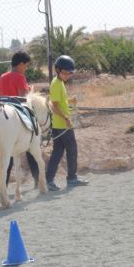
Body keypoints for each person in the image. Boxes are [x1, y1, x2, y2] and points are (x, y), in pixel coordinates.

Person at [45, 55, 89, 191]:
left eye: (70, 73)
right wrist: (66, 118)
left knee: (57, 152)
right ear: (58, 70)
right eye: (65, 72)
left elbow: (60, 102)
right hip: (63, 125)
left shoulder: (58, 82)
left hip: (59, 124)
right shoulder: (57, 84)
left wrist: (70, 101)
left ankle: (49, 180)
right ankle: (72, 178)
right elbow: (54, 105)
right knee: (72, 150)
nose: (68, 75)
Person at [0, 50, 40, 188]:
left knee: (7, 152)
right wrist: (30, 90)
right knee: (31, 144)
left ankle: (3, 184)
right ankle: (37, 180)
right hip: (18, 113)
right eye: (26, 65)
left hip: (3, 113)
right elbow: (23, 98)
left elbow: (0, 95)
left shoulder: (3, 77)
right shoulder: (20, 77)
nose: (26, 68)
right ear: (21, 64)